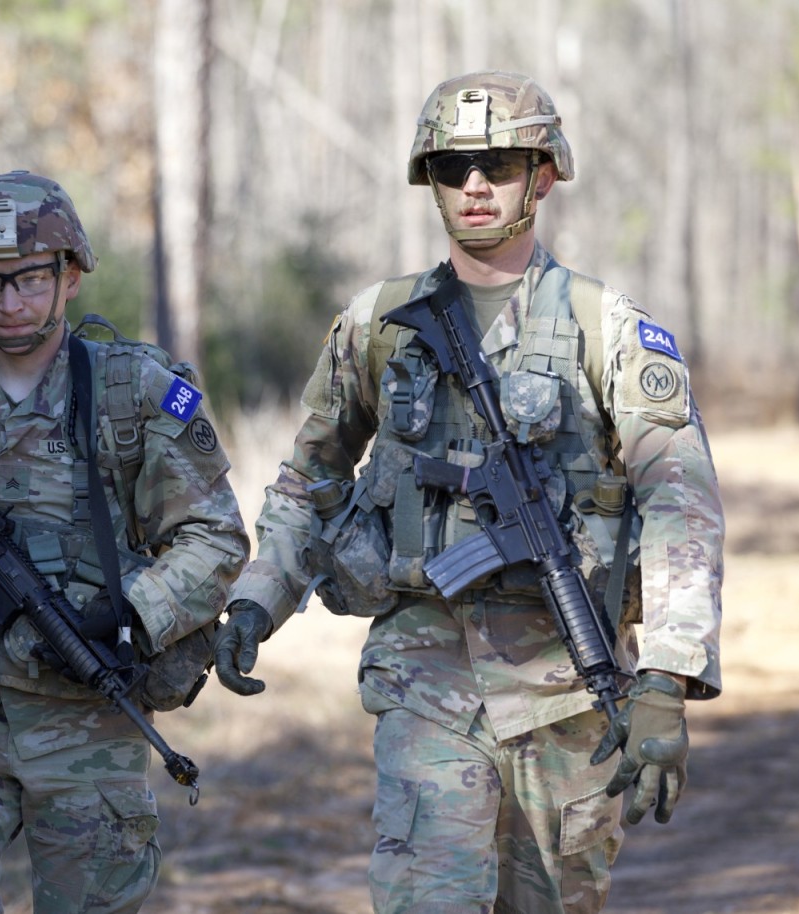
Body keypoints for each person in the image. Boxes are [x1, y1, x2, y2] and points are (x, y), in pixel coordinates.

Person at [213, 71, 724, 914]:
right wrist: (258, 600)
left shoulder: (609, 327)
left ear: (545, 175)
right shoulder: (380, 323)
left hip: (568, 693)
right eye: (453, 168)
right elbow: (311, 476)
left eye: (498, 164)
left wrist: (667, 677)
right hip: (425, 684)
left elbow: (680, 501)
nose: (475, 185)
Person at [0, 170, 249, 913]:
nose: (10, 300)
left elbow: (215, 538)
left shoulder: (139, 391)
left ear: (72, 275)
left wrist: (130, 612)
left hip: (89, 720)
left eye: (29, 278)